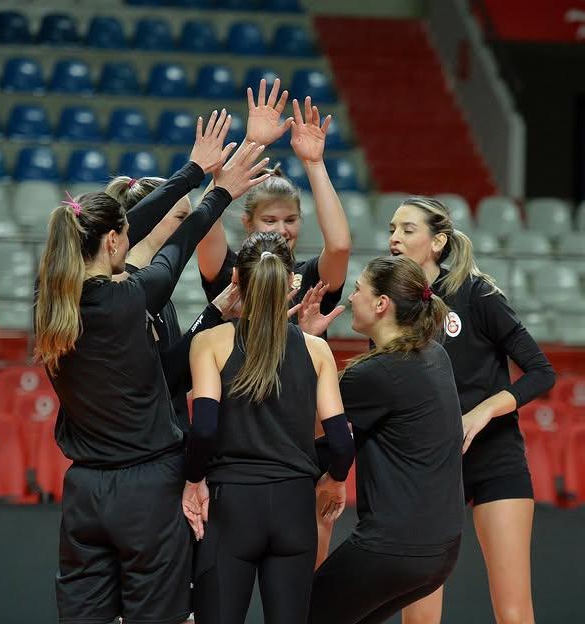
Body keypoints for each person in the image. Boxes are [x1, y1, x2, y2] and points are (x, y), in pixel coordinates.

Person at [34, 108, 272, 624]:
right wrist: (218, 188)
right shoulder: (130, 299)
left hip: (84, 493)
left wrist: (191, 171)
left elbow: (122, 232)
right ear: (116, 242)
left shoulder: (49, 298)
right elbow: (173, 245)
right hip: (146, 489)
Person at [388, 197, 556, 624]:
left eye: (408, 229)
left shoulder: (476, 292)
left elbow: (540, 372)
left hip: (495, 458)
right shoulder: (387, 304)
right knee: (420, 616)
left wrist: (483, 412)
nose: (394, 238)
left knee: (514, 612)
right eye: (392, 229)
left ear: (438, 241)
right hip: (429, 467)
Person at [182, 231, 355, 624]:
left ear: (236, 281)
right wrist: (333, 480)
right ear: (292, 283)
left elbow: (204, 430)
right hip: (295, 509)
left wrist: (194, 480)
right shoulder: (317, 349)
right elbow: (342, 442)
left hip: (232, 508)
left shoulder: (210, 342)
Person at [309, 255, 465, 624]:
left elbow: (308, 428)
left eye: (359, 289)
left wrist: (308, 344)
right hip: (442, 552)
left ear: (381, 304)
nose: (350, 298)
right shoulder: (434, 354)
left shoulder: (377, 374)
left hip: (394, 549)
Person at [197, 80, 351, 328]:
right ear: (248, 222)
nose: (281, 230)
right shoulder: (229, 272)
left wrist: (314, 163)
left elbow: (340, 247)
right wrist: (251, 143)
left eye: (290, 220)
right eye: (269, 220)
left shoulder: (311, 277)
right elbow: (203, 221)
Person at [106, 175, 240, 436]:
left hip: (166, 446)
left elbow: (174, 377)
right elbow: (159, 381)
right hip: (143, 451)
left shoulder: (157, 288)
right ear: (152, 216)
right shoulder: (125, 289)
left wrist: (216, 314)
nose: (189, 229)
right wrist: (213, 314)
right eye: (182, 219)